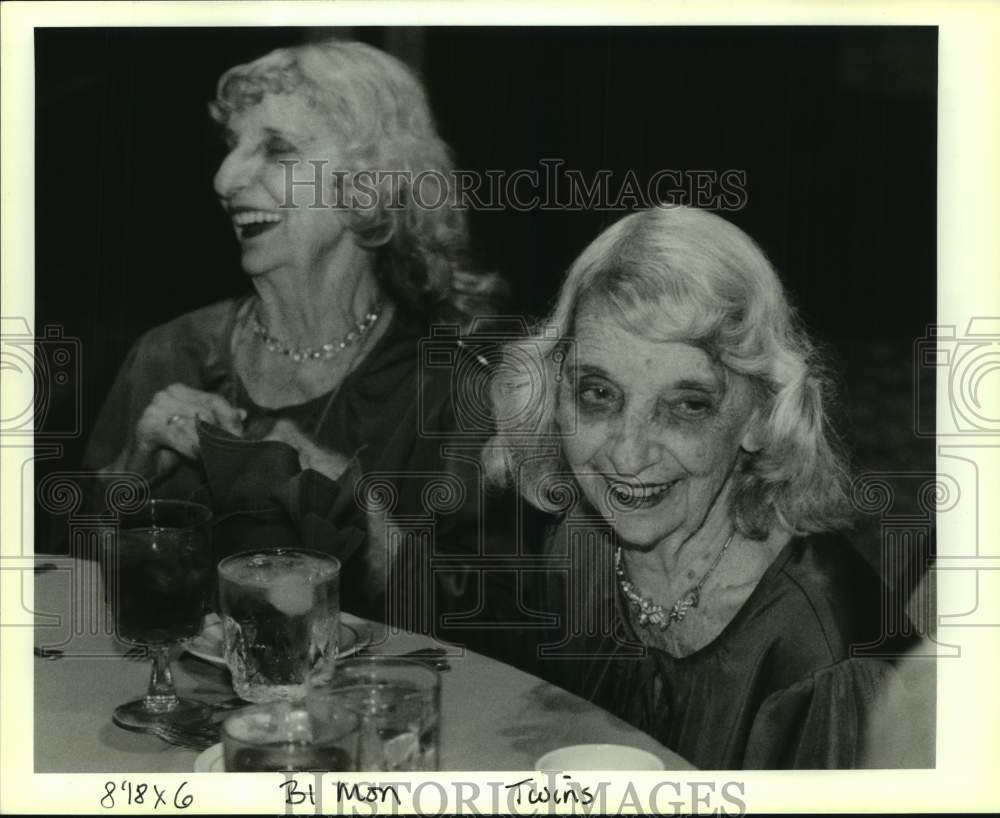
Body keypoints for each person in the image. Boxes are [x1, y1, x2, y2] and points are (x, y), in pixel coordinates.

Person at [84, 39, 508, 634]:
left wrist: (358, 512)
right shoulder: (172, 353)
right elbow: (61, 594)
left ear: (371, 185)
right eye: (233, 148)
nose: (225, 178)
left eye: (277, 149)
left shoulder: (454, 388)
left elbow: (496, 640)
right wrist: (133, 472)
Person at [485, 205, 921, 769]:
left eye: (686, 406)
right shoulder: (580, 548)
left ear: (763, 417)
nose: (627, 452)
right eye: (598, 394)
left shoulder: (818, 663)